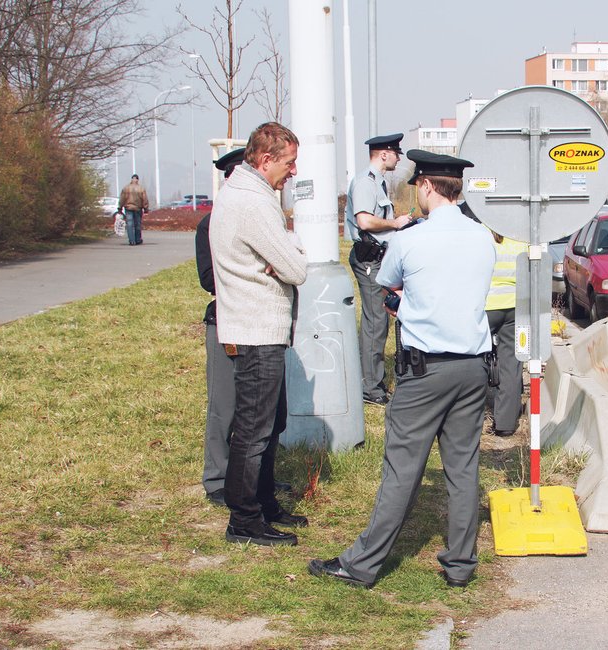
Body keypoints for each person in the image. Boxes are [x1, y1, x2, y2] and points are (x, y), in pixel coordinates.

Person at [308, 150, 496, 588]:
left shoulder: (411, 239)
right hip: (472, 368)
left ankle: (362, 565)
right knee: (464, 468)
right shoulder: (483, 236)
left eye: (418, 187)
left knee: (402, 469)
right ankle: (461, 565)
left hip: (424, 371)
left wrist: (406, 303)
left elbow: (386, 283)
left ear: (426, 186)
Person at [209, 122, 308, 546]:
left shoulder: (248, 194)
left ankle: (264, 503)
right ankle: (244, 521)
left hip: (259, 328)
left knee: (269, 422)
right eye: (289, 162)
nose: (293, 171)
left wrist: (285, 254)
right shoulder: (252, 201)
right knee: (253, 430)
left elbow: (288, 259)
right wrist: (286, 255)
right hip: (255, 331)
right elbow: (298, 268)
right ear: (265, 160)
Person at [344, 133, 414, 406]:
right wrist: (395, 224)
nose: (399, 156)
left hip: (379, 256)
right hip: (369, 258)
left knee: (380, 319)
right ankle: (370, 389)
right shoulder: (365, 182)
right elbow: (364, 221)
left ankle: (373, 383)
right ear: (383, 154)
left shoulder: (379, 182)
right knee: (376, 321)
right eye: (396, 152)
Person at [484, 229, 528, 437]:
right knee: (512, 364)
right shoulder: (522, 235)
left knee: (473, 361)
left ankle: (471, 417)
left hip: (486, 306)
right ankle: (506, 424)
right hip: (516, 307)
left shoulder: (481, 233)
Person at [118, 174, 149, 246]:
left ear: (131, 179)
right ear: (137, 180)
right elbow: (145, 199)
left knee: (129, 224)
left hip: (128, 208)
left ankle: (131, 240)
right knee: (137, 224)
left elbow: (122, 199)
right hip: (138, 208)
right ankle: (138, 239)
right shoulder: (141, 188)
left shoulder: (126, 188)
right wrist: (146, 208)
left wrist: (120, 207)